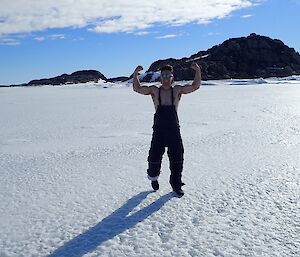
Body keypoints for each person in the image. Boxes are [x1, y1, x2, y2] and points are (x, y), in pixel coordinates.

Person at [133, 63, 201, 197]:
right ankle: (153, 177)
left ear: (172, 77)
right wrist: (135, 74)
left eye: (168, 75)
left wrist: (197, 71)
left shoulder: (177, 90)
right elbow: (137, 88)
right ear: (160, 77)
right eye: (163, 75)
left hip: (173, 128)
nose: (166, 78)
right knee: (154, 156)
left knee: (177, 156)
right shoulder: (154, 90)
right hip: (159, 129)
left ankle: (176, 183)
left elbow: (195, 86)